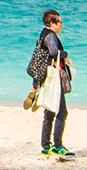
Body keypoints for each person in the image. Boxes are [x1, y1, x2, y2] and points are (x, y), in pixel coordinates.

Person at [30, 9, 74, 158]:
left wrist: (35, 81)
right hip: (53, 79)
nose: (62, 25)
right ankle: (58, 146)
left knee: (49, 111)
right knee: (62, 112)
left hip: (44, 77)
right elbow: (55, 53)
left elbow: (39, 58)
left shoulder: (42, 35)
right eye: (60, 22)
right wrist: (65, 54)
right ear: (53, 23)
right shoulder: (51, 36)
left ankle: (45, 146)